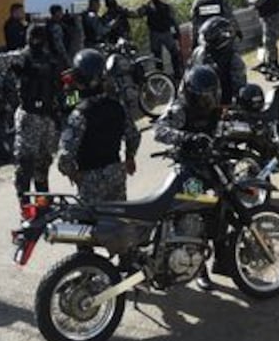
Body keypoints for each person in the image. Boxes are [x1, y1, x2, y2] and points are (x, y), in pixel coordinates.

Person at [154, 64, 224, 289]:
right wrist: (186, 138)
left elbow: (226, 128)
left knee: (224, 211)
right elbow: (160, 130)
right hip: (189, 169)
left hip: (214, 166)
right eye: (203, 97)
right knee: (192, 216)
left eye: (211, 95)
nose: (207, 101)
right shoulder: (180, 108)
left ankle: (224, 260)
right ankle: (198, 269)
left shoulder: (217, 109)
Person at [57, 49, 140, 204]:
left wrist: (73, 174)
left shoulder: (79, 114)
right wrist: (129, 157)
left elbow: (64, 157)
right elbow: (133, 135)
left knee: (94, 223)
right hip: (115, 173)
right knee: (118, 220)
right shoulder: (117, 106)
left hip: (90, 179)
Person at [13, 21, 67, 199]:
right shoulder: (23, 57)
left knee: (43, 163)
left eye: (39, 37)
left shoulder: (51, 59)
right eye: (33, 37)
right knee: (25, 163)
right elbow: (5, 61)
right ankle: (25, 204)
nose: (36, 40)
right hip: (29, 115)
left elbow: (61, 85)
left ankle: (43, 203)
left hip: (47, 117)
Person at [190, 16, 247, 110]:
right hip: (200, 102)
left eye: (210, 36)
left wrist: (229, 106)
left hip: (224, 106)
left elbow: (239, 87)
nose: (207, 40)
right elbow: (189, 75)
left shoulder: (233, 58)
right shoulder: (199, 52)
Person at [137, 0, 183, 80]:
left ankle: (174, 73)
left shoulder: (162, 7)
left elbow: (172, 20)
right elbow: (139, 13)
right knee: (159, 56)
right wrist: (176, 32)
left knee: (170, 54)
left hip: (163, 33)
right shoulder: (150, 7)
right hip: (158, 33)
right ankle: (164, 74)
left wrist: (176, 32)